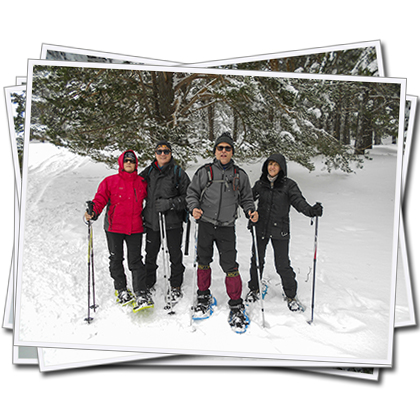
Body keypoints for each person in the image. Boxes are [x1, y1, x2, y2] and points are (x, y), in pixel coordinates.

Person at [186, 132, 258, 333]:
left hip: (227, 226)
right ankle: (203, 296)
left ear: (232, 151)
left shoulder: (239, 174)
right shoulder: (205, 172)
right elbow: (191, 193)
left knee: (230, 265)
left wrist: (250, 211)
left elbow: (246, 198)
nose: (223, 151)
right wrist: (194, 208)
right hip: (206, 224)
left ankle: (236, 305)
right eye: (220, 148)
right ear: (215, 151)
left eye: (227, 148)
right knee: (203, 261)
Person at [246, 153, 323, 311]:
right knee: (257, 261)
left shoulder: (289, 185)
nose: (272, 167)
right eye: (269, 164)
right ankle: (254, 289)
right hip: (260, 228)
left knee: (282, 264)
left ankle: (291, 295)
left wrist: (311, 211)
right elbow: (248, 200)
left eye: (275, 164)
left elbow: (298, 202)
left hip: (280, 229)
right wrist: (250, 212)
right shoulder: (261, 184)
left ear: (281, 167)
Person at [84, 150, 150, 312]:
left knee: (135, 260)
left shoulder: (142, 182)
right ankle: (121, 289)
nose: (129, 163)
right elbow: (100, 199)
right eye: (126, 160)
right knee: (116, 258)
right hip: (114, 227)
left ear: (136, 164)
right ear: (121, 163)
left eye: (132, 161)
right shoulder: (110, 181)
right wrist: (94, 211)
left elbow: (151, 200)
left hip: (135, 227)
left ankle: (140, 292)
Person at [139, 140, 190, 307]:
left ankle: (175, 284)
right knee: (150, 254)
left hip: (173, 222)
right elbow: (135, 185)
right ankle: (149, 283)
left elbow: (189, 197)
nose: (162, 154)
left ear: (170, 153)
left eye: (166, 151)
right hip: (152, 221)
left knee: (175, 255)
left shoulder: (178, 172)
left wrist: (171, 203)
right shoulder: (149, 171)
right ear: (155, 154)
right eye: (159, 151)